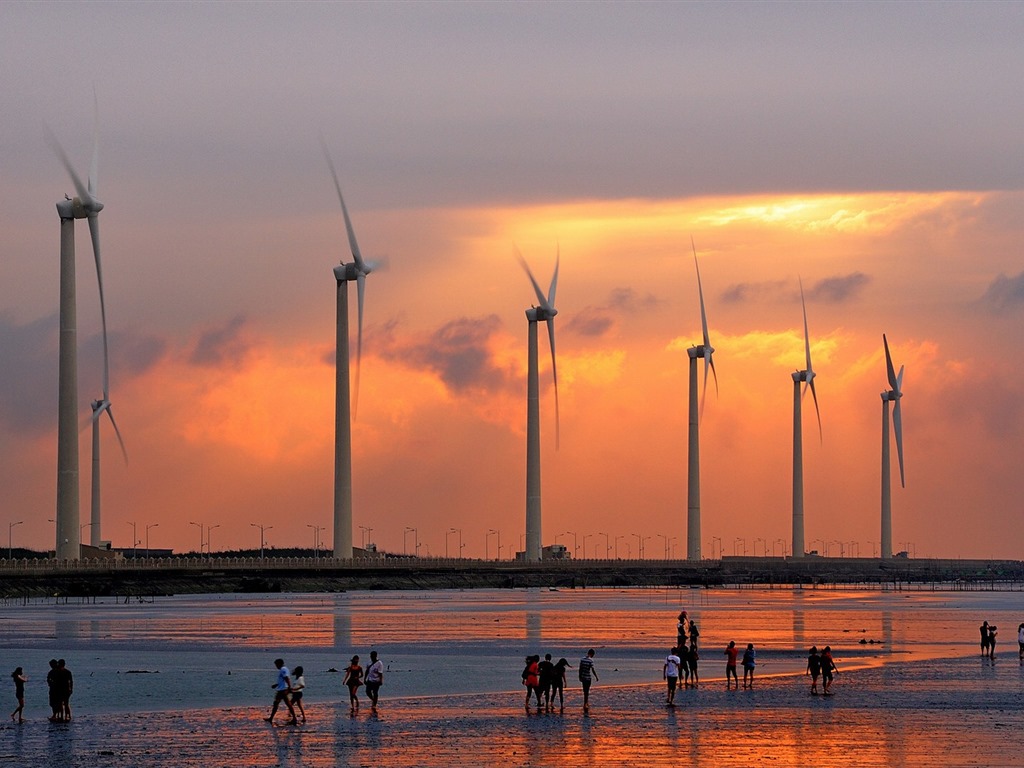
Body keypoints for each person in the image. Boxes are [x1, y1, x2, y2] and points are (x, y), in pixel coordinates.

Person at [265, 658, 296, 724]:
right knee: (288, 704)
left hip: (282, 690)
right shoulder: (285, 669)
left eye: (276, 665)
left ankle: (271, 718)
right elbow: (283, 679)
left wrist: (289, 688)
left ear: (279, 664)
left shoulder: (283, 669)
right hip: (283, 688)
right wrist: (276, 685)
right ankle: (294, 718)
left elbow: (286, 678)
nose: (276, 666)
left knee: (276, 703)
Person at [578, 648, 599, 713]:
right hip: (588, 677)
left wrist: (579, 676)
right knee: (587, 691)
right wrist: (596, 676)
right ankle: (586, 703)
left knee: (585, 691)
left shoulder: (582, 659)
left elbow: (580, 669)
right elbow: (592, 669)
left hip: (583, 677)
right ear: (592, 654)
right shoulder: (591, 660)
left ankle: (585, 703)